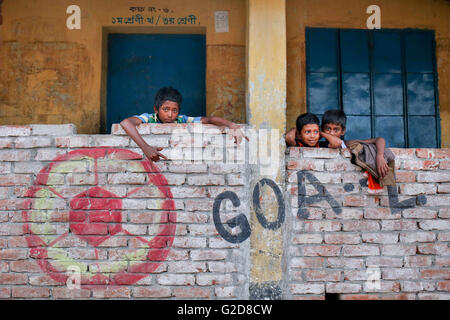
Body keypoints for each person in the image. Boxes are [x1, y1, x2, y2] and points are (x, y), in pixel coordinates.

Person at [120, 87, 246, 162]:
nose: (170, 115)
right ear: (156, 109)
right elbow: (126, 123)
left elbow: (208, 119)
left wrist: (231, 125)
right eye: (165, 109)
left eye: (174, 110)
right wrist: (145, 147)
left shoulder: (182, 120)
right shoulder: (149, 118)